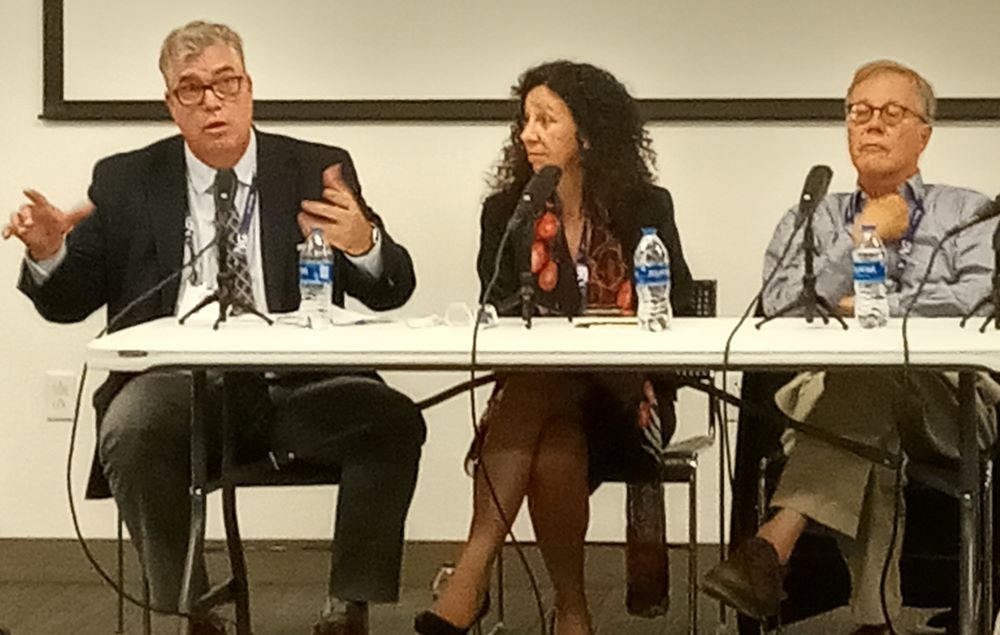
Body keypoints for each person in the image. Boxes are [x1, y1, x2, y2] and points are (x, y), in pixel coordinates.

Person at [5, 21, 425, 635]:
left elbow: (391, 289)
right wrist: (48, 254)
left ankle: (347, 605)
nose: (212, 101)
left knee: (391, 419)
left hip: (300, 382)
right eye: (192, 89)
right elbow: (68, 302)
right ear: (171, 104)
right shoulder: (127, 180)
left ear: (249, 87)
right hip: (180, 388)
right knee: (130, 427)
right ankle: (192, 610)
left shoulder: (314, 169)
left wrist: (365, 244)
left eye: (226, 83)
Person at [702, 60, 1000, 634]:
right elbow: (782, 301)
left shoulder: (967, 210)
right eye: (859, 112)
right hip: (830, 399)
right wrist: (864, 234)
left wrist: (861, 305)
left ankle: (774, 543)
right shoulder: (810, 217)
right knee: (869, 409)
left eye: (892, 113)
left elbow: (975, 299)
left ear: (925, 133)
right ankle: (876, 622)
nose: (872, 125)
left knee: (867, 377)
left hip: (949, 404)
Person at [414, 61, 694, 635]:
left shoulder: (645, 207)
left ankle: (469, 575)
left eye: (546, 120)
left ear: (586, 134)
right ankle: (573, 612)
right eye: (525, 120)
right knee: (553, 432)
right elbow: (496, 311)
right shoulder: (508, 213)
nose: (528, 134)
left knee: (543, 384)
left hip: (627, 401)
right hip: (546, 407)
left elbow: (682, 308)